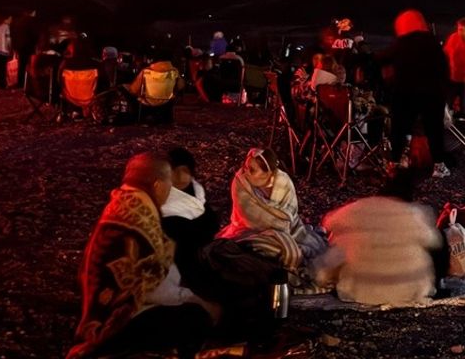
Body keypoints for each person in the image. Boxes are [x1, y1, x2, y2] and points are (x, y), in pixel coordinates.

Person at [68, 152, 217, 359]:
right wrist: (197, 301)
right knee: (195, 318)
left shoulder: (125, 204)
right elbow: (154, 288)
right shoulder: (140, 222)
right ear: (157, 185)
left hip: (100, 311)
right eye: (169, 184)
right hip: (116, 322)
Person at [217, 147, 335, 291]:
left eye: (252, 170)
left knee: (314, 250)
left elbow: (290, 214)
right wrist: (279, 223)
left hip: (289, 229)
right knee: (269, 251)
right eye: (246, 166)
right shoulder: (240, 183)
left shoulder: (283, 182)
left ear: (268, 173)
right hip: (249, 229)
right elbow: (251, 218)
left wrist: (282, 223)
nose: (246, 172)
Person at [320, 170, 443, 306]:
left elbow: (328, 222)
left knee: (343, 241)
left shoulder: (359, 207)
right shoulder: (414, 214)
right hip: (408, 292)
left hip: (357, 292)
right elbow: (434, 242)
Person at [380, 10, 454, 177]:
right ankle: (438, 165)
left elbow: (381, 59)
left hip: (404, 91)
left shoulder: (400, 44)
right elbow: (443, 68)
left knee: (400, 127)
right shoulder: (432, 43)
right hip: (431, 92)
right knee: (434, 129)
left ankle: (396, 162)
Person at [161, 147, 221, 280]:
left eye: (185, 171)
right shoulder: (163, 199)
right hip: (179, 262)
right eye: (175, 171)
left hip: (204, 253)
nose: (181, 176)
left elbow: (212, 223)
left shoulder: (196, 192)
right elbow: (177, 237)